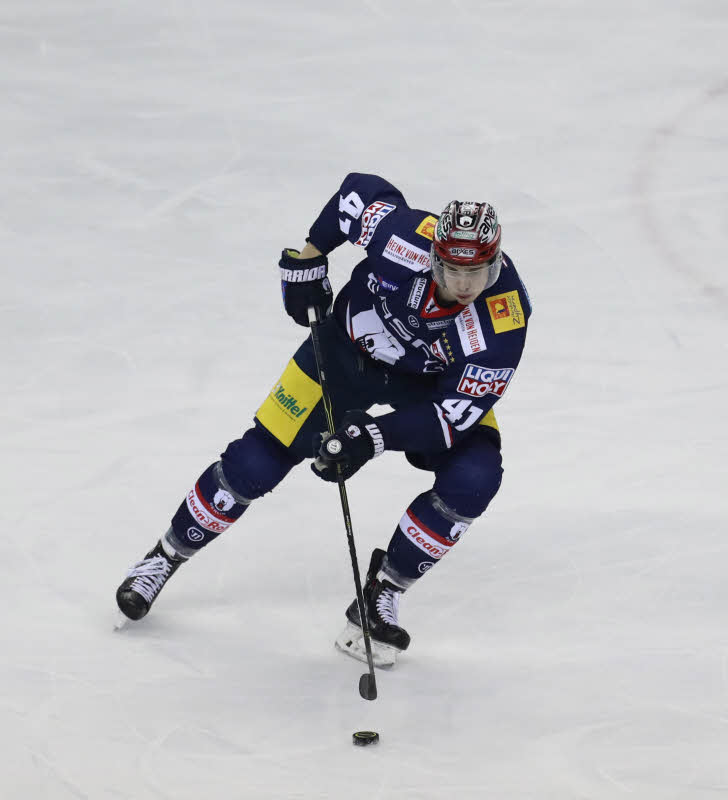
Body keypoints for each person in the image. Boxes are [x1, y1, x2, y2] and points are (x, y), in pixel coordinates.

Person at [115, 173, 532, 666]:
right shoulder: (402, 236)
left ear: (496, 262)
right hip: (343, 354)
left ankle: (383, 593)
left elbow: (448, 418)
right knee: (257, 460)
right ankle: (164, 556)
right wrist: (311, 258)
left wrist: (373, 437)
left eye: (476, 273)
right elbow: (359, 192)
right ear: (433, 256)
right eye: (451, 271)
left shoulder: (503, 320)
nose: (463, 285)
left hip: (427, 388)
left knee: (476, 476)